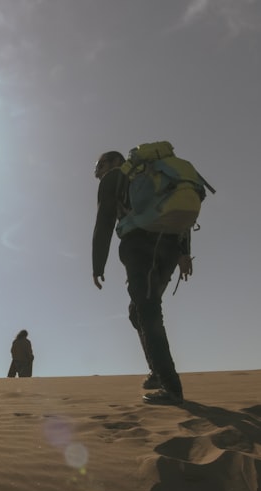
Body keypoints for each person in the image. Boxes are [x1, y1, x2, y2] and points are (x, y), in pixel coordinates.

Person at [91, 150, 192, 405]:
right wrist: (184, 253)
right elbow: (180, 214)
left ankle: (170, 386)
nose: (97, 171)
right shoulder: (155, 176)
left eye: (100, 164)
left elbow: (104, 221)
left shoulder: (116, 177)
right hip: (169, 247)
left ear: (115, 161)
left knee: (147, 311)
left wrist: (97, 265)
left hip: (139, 246)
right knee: (138, 312)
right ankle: (157, 373)